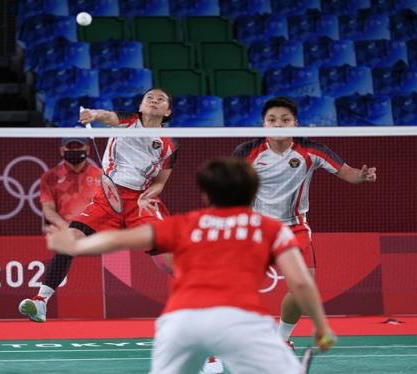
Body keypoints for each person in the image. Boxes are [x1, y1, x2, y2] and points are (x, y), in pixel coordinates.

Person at [44, 157, 337, 374]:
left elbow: (122, 239)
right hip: (240, 321)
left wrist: (76, 245)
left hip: (181, 322)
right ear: (253, 193)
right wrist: (322, 328)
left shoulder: (185, 223)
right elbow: (300, 283)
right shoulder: (271, 229)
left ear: (206, 195)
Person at [19, 87, 179, 324]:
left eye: (160, 100)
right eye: (149, 98)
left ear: (167, 111)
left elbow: (160, 182)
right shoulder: (127, 121)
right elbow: (107, 116)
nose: (154, 101)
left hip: (142, 202)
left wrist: (148, 195)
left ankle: (208, 300)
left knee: (170, 263)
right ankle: (41, 301)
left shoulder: (170, 144)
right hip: (107, 198)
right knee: (70, 240)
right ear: (140, 106)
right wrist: (93, 115)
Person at [232, 96, 377, 350]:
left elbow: (348, 173)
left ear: (295, 124)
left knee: (304, 286)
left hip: (293, 227)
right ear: (263, 124)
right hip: (256, 227)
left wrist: (362, 177)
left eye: (285, 120)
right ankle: (217, 349)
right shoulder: (247, 151)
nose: (278, 125)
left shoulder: (312, 149)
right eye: (272, 120)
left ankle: (280, 340)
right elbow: (228, 188)